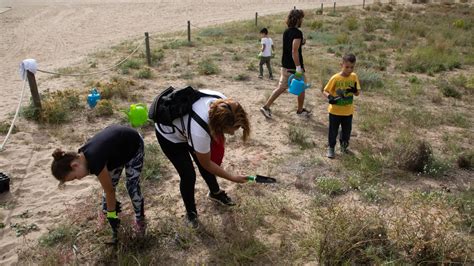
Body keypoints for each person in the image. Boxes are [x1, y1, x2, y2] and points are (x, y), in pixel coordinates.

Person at [154, 89, 250, 228]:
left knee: (204, 158)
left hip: (187, 125)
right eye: (233, 129)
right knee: (188, 175)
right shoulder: (200, 130)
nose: (234, 132)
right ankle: (191, 214)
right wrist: (233, 178)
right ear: (219, 126)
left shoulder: (223, 103)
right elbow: (207, 164)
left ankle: (215, 193)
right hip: (170, 135)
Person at [50, 125, 146, 240]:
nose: (79, 179)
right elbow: (108, 188)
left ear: (74, 165)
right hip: (117, 151)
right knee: (110, 186)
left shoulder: (95, 160)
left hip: (133, 144)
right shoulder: (82, 155)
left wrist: (112, 215)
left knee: (132, 186)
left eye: (75, 177)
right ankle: (108, 215)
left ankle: (140, 221)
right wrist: (110, 211)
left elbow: (109, 191)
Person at [260, 9, 310, 119]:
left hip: (285, 64)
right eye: (301, 18)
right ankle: (300, 111)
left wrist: (301, 42)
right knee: (301, 87)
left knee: (281, 87)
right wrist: (298, 68)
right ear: (298, 19)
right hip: (294, 66)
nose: (302, 20)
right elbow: (294, 50)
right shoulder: (297, 33)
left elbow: (291, 45)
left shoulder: (287, 31)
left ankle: (266, 106)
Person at [322, 53, 361, 158]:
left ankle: (344, 148)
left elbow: (357, 93)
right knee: (333, 131)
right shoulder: (335, 78)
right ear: (341, 65)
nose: (349, 70)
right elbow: (325, 91)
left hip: (348, 112)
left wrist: (355, 91)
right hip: (335, 111)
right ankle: (331, 148)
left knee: (346, 132)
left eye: (352, 67)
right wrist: (330, 97)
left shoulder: (354, 77)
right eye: (347, 67)